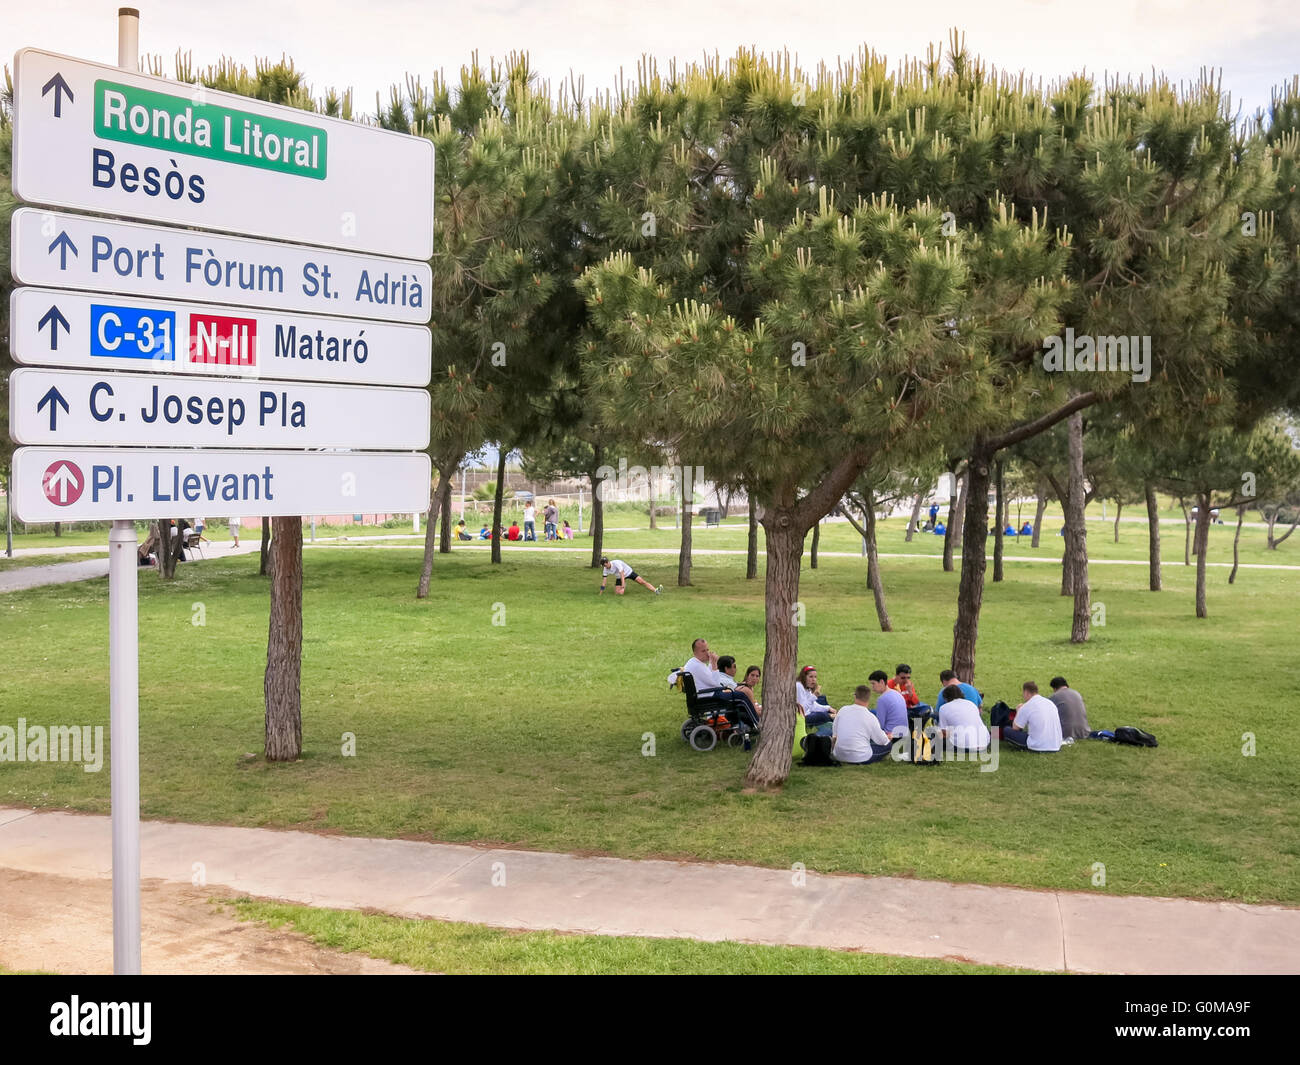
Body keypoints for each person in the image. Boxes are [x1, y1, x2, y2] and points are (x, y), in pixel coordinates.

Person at [832, 685, 896, 765]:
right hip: (861, 757)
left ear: (855, 696)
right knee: (888, 745)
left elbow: (835, 736)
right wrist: (889, 738)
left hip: (838, 755)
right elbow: (883, 741)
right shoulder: (871, 717)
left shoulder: (843, 709)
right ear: (869, 698)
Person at [1002, 681, 1063, 751]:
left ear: (1026, 692)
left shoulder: (1026, 706)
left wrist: (1018, 712)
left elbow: (1015, 728)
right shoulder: (1050, 703)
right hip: (1056, 744)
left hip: (1037, 745)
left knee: (1007, 730)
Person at [937, 684, 990, 753]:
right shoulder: (972, 704)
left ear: (945, 697)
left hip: (963, 746)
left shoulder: (943, 708)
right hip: (984, 743)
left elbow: (944, 733)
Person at [1048, 676, 1091, 741]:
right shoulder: (1077, 694)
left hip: (1066, 734)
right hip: (1085, 731)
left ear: (1054, 688)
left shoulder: (1054, 697)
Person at [868, 670, 909, 737]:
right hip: (904, 732)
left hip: (891, 736)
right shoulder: (897, 693)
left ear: (881, 682)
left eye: (873, 684)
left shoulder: (882, 699)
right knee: (872, 712)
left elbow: (880, 725)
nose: (872, 687)